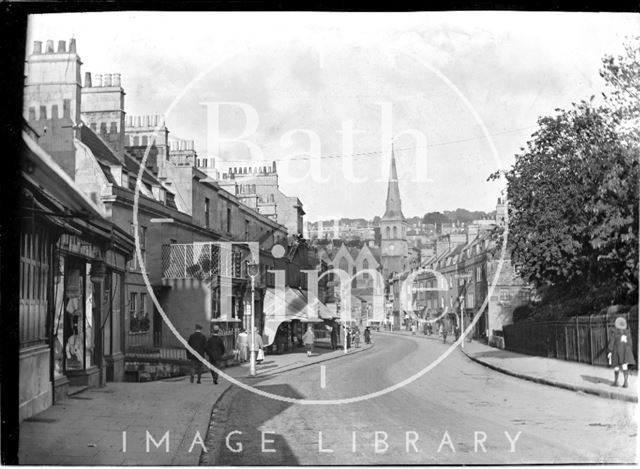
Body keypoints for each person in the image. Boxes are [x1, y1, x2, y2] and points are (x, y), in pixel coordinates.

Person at [608, 317, 636, 388]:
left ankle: (616, 382)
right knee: (624, 366)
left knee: (616, 366)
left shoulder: (614, 332)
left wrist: (610, 351)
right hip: (625, 352)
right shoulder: (627, 333)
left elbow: (612, 342)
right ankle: (625, 383)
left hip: (616, 351)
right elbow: (630, 343)